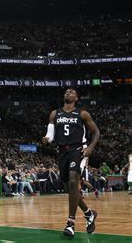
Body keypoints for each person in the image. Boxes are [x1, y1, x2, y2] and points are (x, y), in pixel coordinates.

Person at [42, 88, 99, 238]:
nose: (68, 92)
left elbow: (96, 132)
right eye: (67, 91)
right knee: (70, 189)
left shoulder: (82, 114)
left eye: (72, 92)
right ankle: (89, 214)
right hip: (62, 152)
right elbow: (50, 135)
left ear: (77, 98)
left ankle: (70, 223)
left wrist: (91, 147)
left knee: (74, 181)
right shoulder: (55, 113)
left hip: (77, 150)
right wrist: (47, 139)